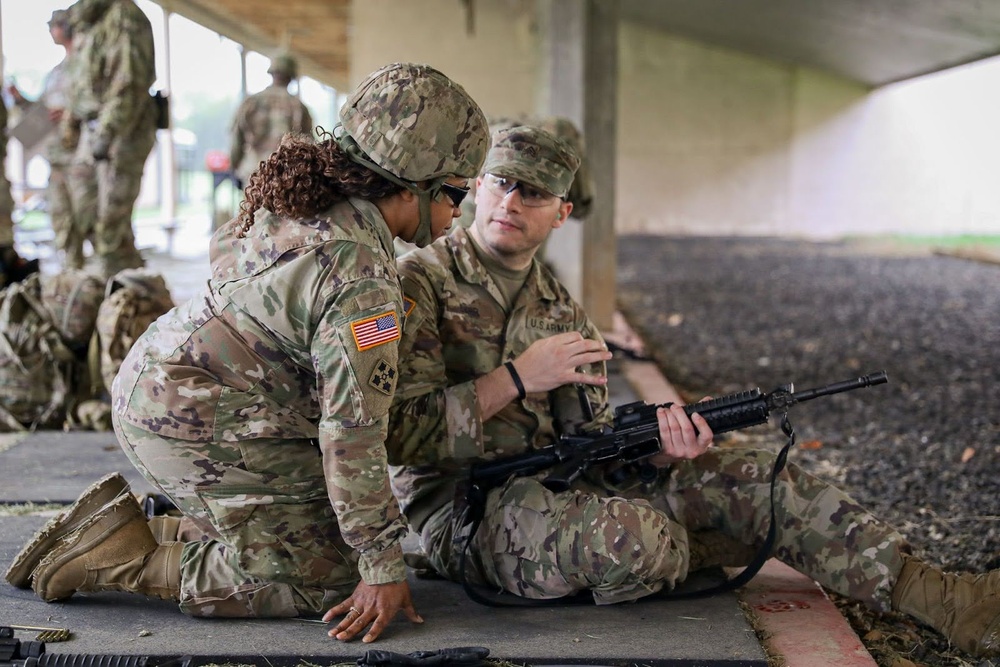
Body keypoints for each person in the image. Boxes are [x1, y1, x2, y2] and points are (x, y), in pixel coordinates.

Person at [385, 125, 1000, 659]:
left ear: (561, 212)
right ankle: (712, 541)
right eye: (500, 183)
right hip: (465, 511)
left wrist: (653, 449)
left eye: (534, 192)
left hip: (563, 491)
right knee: (634, 541)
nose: (511, 202)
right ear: (477, 188)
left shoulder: (561, 309)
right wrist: (517, 378)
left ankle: (950, 602)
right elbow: (398, 438)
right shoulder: (422, 285)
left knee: (760, 479)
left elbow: (589, 441)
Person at [5, 62, 490, 644]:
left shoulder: (310, 202)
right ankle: (125, 560)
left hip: (166, 387)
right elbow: (352, 433)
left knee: (336, 537)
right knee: (326, 580)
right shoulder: (359, 276)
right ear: (416, 183)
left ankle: (146, 531)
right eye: (457, 193)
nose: (459, 213)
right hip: (195, 425)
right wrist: (382, 566)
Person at [62, 0, 157, 279]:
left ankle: (116, 295)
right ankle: (126, 284)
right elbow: (81, 84)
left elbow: (129, 83)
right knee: (84, 213)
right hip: (91, 132)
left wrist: (106, 133)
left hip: (120, 133)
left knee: (109, 225)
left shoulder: (124, 16)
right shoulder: (90, 21)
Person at [6, 10, 88, 270]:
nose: (52, 30)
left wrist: (71, 113)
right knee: (62, 220)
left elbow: (100, 104)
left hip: (83, 158)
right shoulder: (56, 72)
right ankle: (72, 273)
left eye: (55, 25)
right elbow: (43, 108)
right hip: (58, 158)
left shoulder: (86, 66)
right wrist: (20, 100)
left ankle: (98, 278)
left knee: (91, 221)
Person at [229, 52, 314, 190]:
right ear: (291, 77)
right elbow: (309, 145)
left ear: (272, 73)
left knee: (250, 211)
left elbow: (236, 139)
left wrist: (234, 168)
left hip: (253, 175)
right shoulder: (299, 107)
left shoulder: (250, 103)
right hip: (285, 179)